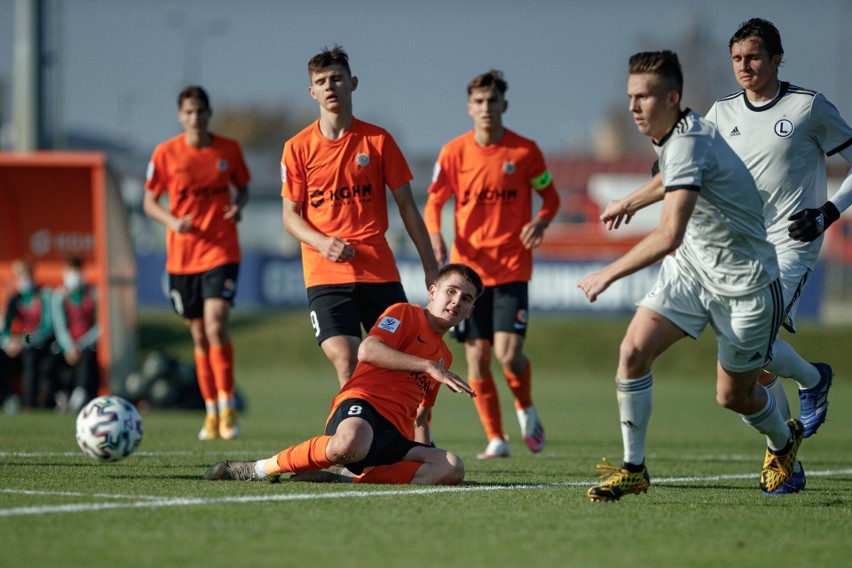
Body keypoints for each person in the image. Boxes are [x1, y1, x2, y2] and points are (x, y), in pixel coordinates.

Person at [603, 19, 849, 493]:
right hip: (734, 246)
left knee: (747, 361)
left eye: (754, 57)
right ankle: (800, 410)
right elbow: (683, 168)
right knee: (747, 370)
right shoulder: (720, 112)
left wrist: (828, 211)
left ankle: (802, 401)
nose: (744, 66)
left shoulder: (808, 107)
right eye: (737, 59)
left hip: (789, 240)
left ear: (777, 59)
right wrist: (632, 199)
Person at [577, 50, 801, 501]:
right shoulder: (676, 134)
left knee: (733, 398)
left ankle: (783, 439)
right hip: (692, 275)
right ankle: (633, 468)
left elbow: (669, 235)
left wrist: (608, 274)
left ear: (672, 97)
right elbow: (673, 180)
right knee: (633, 352)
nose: (633, 106)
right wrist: (629, 202)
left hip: (747, 287)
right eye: (630, 96)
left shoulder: (687, 140)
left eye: (644, 96)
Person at [204, 263, 483, 485]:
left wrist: (428, 461)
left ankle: (347, 477)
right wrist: (427, 366)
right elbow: (367, 350)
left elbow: (421, 415)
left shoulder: (445, 355)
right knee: (351, 442)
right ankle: (257, 469)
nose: (456, 301)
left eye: (466, 298)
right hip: (362, 408)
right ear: (433, 291)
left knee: (452, 467)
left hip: (394, 436)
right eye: (451, 291)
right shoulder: (404, 313)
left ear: (470, 311)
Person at [281, 44, 440, 389]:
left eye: (336, 78)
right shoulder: (297, 148)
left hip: (378, 271)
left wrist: (430, 266)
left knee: (405, 358)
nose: (329, 86)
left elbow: (408, 209)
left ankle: (415, 437)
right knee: (346, 357)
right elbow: (291, 217)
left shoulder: (379, 141)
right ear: (312, 92)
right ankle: (354, 437)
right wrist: (323, 242)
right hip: (325, 274)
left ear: (352, 83)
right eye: (321, 81)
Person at [423, 70, 560, 459]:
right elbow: (433, 201)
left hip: (512, 267)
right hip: (470, 275)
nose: (486, 108)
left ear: (504, 105)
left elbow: (550, 197)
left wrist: (541, 220)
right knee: (477, 359)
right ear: (469, 108)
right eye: (479, 102)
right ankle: (496, 438)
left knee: (508, 354)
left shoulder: (525, 152)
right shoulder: (453, 153)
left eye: (492, 101)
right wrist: (435, 233)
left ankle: (526, 408)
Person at [144, 85, 250, 441]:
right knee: (199, 335)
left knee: (216, 324)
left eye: (200, 111)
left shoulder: (228, 150)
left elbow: (244, 187)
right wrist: (172, 222)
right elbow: (149, 201)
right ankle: (210, 411)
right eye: (188, 112)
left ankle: (228, 405)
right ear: (180, 116)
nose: (195, 117)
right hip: (183, 258)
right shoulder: (165, 153)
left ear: (209, 113)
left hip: (221, 252)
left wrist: (238, 205)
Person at [0, 259, 54, 409]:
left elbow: (46, 326)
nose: (23, 280)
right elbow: (6, 326)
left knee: (30, 357)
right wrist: (8, 342)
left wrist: (23, 341)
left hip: (39, 343)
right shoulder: (15, 298)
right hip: (19, 341)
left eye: (26, 275)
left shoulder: (43, 295)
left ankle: (29, 403)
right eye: (20, 276)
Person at [49, 256, 100, 412]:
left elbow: (42, 326)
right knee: (34, 353)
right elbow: (22, 327)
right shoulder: (15, 300)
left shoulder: (92, 293)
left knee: (31, 347)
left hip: (31, 337)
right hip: (25, 337)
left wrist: (26, 339)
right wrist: (14, 340)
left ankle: (79, 395)